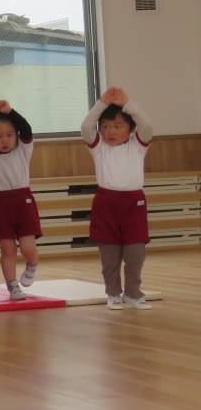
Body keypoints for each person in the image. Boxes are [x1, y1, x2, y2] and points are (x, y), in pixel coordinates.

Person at [82, 88, 153, 309]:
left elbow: (147, 126)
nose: (110, 131)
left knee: (135, 254)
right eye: (105, 126)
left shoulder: (138, 146)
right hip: (106, 204)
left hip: (134, 204)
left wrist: (127, 104)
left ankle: (133, 293)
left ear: (130, 129)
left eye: (117, 126)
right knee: (110, 257)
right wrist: (102, 103)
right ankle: (113, 293)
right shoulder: (99, 148)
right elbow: (86, 127)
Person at [0, 101, 41, 301]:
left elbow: (26, 129)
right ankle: (12, 286)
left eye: (9, 135)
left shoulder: (23, 150)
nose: (4, 140)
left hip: (23, 201)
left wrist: (9, 111)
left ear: (16, 136)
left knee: (28, 248)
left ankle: (32, 264)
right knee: (8, 249)